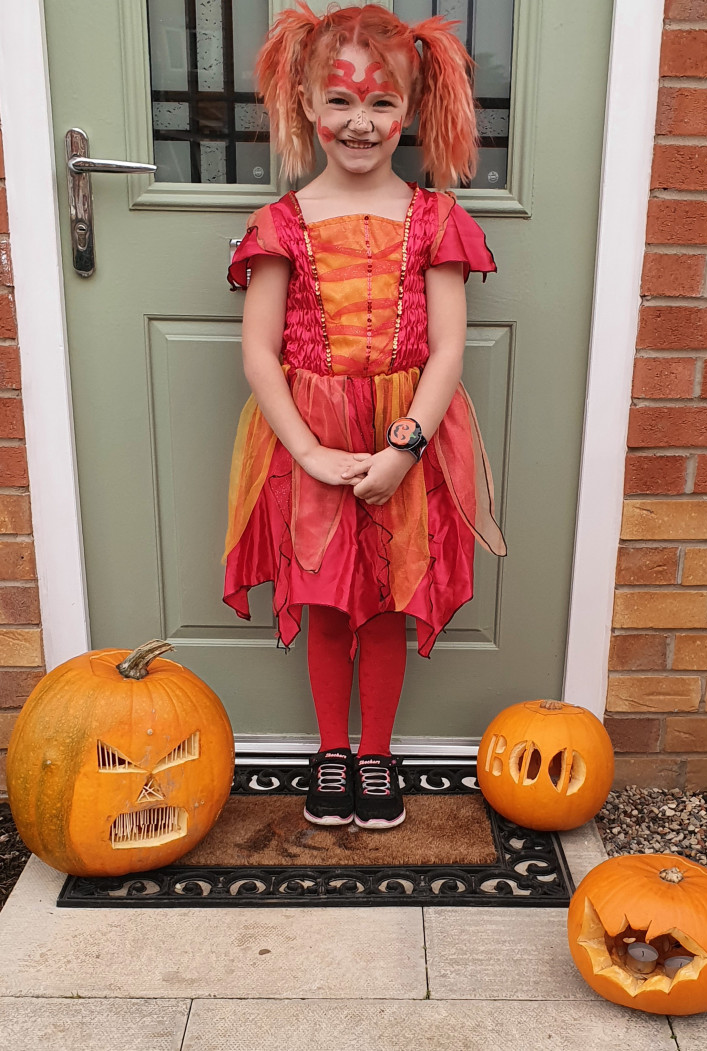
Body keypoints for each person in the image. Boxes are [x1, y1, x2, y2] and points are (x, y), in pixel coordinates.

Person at [223, 2, 506, 831]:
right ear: (308, 104)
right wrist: (308, 451)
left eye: (381, 103)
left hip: (402, 436)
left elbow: (449, 349)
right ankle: (331, 751)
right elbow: (257, 353)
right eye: (340, 101)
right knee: (323, 597)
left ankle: (376, 755)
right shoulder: (280, 223)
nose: (360, 121)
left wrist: (406, 447)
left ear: (409, 112)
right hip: (309, 436)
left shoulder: (435, 220)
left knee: (384, 598)